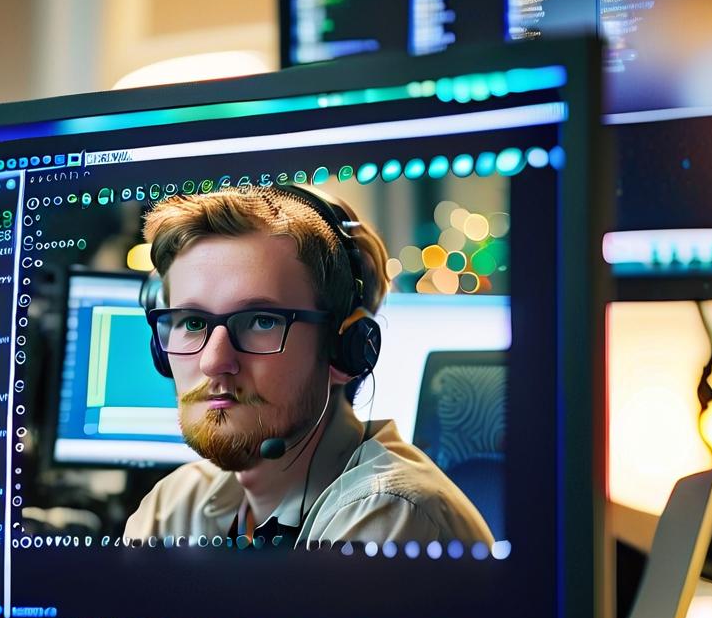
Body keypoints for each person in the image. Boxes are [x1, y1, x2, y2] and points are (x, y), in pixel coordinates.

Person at [123, 184, 493, 548]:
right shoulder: (177, 504)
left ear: (343, 348)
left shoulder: (388, 511)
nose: (214, 361)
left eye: (261, 321)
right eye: (192, 322)